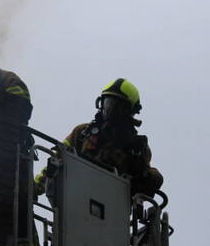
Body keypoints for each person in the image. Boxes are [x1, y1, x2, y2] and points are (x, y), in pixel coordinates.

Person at [35, 78, 163, 197]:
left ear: (129, 111)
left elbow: (147, 182)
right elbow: (56, 158)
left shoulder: (136, 148)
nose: (109, 110)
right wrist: (35, 187)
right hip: (75, 199)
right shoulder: (82, 133)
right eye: (107, 104)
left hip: (112, 210)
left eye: (116, 107)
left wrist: (148, 176)